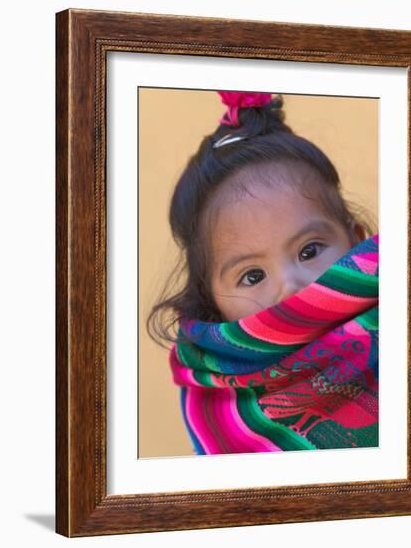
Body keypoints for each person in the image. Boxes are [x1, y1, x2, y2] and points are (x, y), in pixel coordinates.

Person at [146, 91, 379, 455]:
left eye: (309, 251)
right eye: (252, 276)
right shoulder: (221, 402)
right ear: (213, 302)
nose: (291, 286)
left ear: (357, 240)